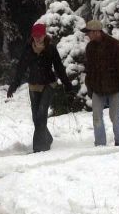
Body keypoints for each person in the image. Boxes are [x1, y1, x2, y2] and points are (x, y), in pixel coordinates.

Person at [7, 23, 75, 152]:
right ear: (32, 36)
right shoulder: (28, 49)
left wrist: (67, 84)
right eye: (35, 36)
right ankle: (47, 138)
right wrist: (14, 85)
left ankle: (39, 148)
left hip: (48, 84)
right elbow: (21, 68)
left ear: (44, 35)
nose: (38, 38)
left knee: (41, 115)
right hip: (33, 85)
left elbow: (59, 68)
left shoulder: (51, 49)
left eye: (40, 35)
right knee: (35, 117)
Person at [82, 19, 119, 146]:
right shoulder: (90, 47)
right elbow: (89, 69)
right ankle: (100, 145)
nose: (87, 35)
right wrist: (90, 86)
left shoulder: (114, 45)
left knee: (114, 116)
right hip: (97, 89)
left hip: (115, 88)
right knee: (96, 117)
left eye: (89, 32)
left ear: (97, 32)